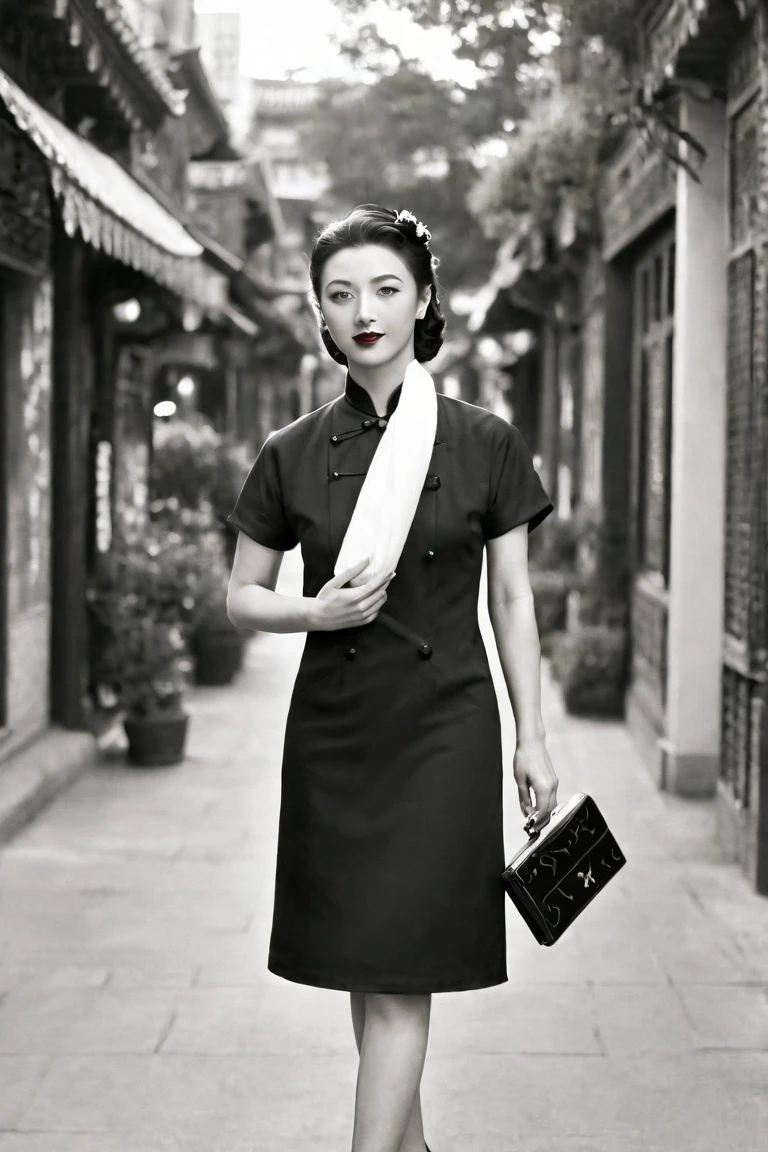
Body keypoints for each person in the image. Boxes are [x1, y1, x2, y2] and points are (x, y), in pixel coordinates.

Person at [226, 203, 559, 1152]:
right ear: (320, 316)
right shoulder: (290, 451)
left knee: (403, 969)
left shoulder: (484, 442)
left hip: (446, 727)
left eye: (383, 289)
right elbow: (241, 598)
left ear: (421, 300)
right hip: (337, 730)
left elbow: (513, 604)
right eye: (340, 295)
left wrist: (532, 736)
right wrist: (312, 612)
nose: (363, 310)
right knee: (370, 967)